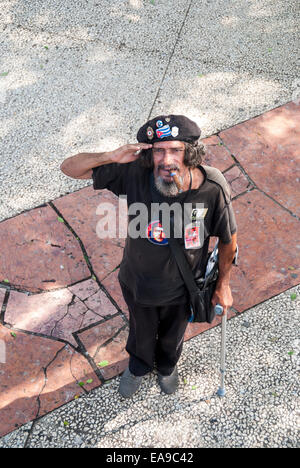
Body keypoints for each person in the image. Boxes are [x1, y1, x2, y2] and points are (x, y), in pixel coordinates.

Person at [60, 115, 237, 398]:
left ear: (189, 153)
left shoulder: (212, 187)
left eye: (175, 150)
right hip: (138, 281)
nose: (166, 160)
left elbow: (228, 240)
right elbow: (68, 168)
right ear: (149, 153)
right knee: (141, 330)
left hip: (184, 287)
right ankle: (139, 365)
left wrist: (223, 284)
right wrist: (111, 155)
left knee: (173, 333)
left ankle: (167, 366)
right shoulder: (134, 174)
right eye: (158, 150)